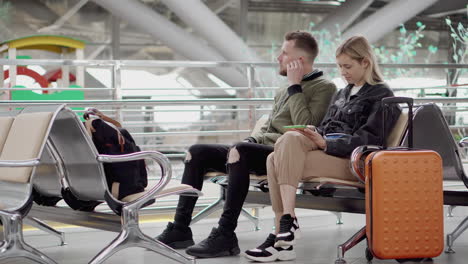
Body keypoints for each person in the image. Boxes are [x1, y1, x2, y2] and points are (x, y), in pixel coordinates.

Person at [155, 31, 337, 258]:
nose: (278, 58)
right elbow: (269, 124)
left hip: (283, 154)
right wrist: (252, 139)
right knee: (197, 152)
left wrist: (294, 86)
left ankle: (225, 235)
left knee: (239, 151)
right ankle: (180, 228)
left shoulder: (325, 87)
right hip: (260, 148)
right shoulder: (284, 88)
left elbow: (306, 127)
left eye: (284, 53)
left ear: (299, 61)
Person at [244, 35, 401, 262]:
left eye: (348, 66)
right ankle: (285, 231)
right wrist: (315, 133)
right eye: (339, 66)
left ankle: (284, 227)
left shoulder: (383, 95)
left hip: (352, 161)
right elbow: (326, 127)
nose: (342, 72)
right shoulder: (342, 93)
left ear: (365, 62)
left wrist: (327, 143)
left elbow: (371, 139)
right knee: (281, 148)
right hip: (328, 152)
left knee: (279, 154)